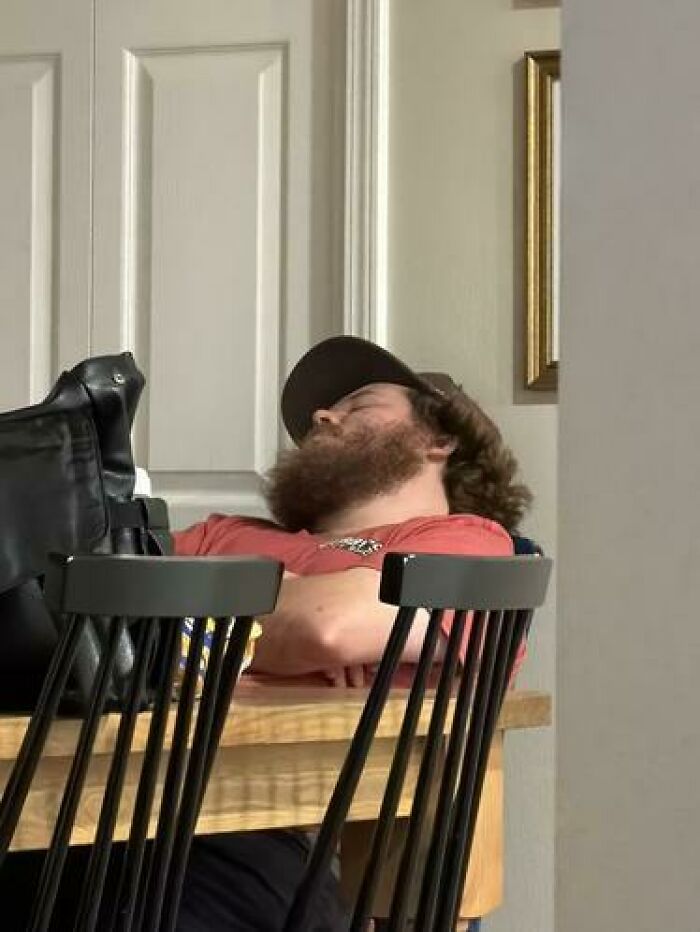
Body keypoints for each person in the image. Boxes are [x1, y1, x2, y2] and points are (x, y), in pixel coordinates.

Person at [173, 336, 533, 931]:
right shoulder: (226, 532)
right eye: (322, 414)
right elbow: (99, 619)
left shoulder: (468, 546)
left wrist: (205, 615)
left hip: (306, 846)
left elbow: (328, 629)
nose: (321, 417)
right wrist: (284, 594)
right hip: (124, 799)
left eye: (359, 406)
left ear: (439, 439)